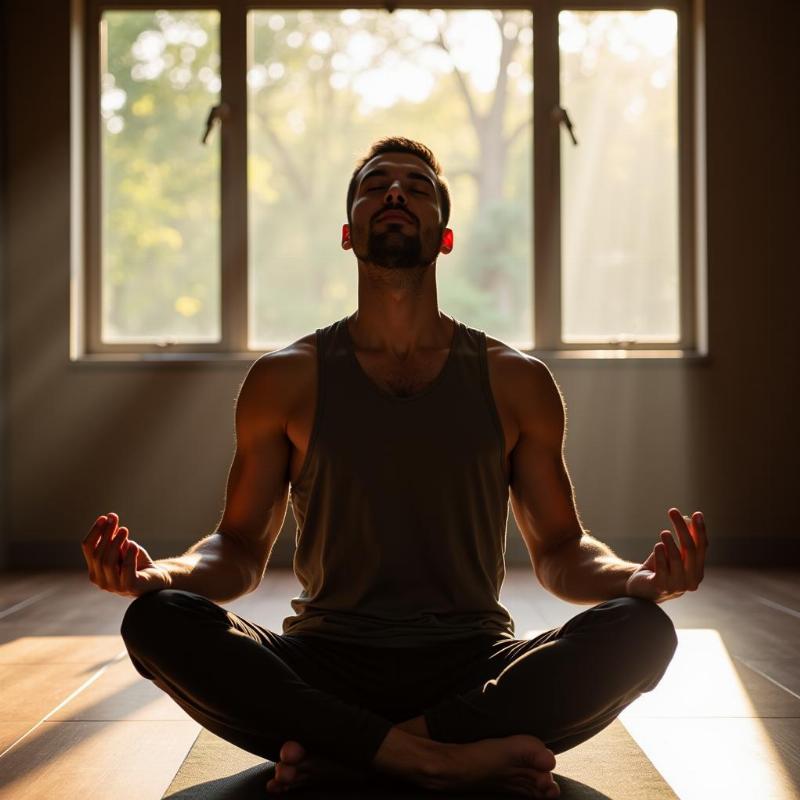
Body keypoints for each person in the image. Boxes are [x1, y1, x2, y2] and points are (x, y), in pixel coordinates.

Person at [82, 136, 708, 799]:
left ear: (445, 237)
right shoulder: (285, 379)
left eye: (418, 186)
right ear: (349, 233)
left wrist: (636, 578)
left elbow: (559, 549)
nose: (396, 192)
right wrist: (161, 574)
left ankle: (351, 753)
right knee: (156, 620)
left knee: (642, 631)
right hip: (323, 663)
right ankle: (445, 760)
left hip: (471, 667)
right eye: (376, 184)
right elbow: (237, 550)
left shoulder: (515, 381)